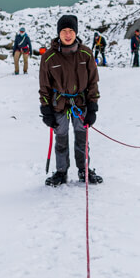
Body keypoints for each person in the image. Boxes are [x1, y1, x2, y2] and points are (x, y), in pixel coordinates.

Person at [39, 14, 103, 186]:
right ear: (58, 33)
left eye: (71, 31)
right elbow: (44, 86)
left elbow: (93, 82)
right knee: (61, 139)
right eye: (64, 31)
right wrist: (45, 110)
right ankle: (61, 172)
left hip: (81, 104)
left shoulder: (86, 54)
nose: (68, 35)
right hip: (58, 104)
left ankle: (84, 169)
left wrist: (93, 106)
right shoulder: (49, 57)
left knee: (82, 138)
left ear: (76, 33)